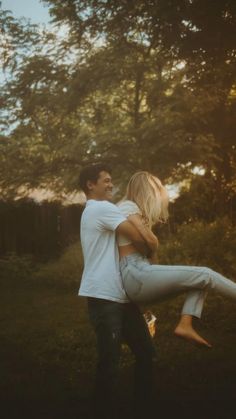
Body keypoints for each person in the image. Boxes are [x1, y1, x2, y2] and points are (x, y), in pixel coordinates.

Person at [117, 171, 236, 348]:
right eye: (155, 190)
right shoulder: (127, 206)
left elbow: (151, 255)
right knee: (205, 274)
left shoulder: (136, 212)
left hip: (140, 273)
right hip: (134, 272)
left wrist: (151, 254)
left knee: (199, 280)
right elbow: (151, 241)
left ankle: (185, 325)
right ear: (146, 190)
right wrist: (152, 244)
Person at [78, 164, 155, 419]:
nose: (111, 184)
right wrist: (146, 233)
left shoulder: (98, 210)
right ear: (90, 184)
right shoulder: (101, 208)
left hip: (120, 295)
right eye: (106, 180)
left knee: (146, 352)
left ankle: (142, 408)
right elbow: (138, 237)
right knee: (110, 364)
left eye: (111, 180)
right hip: (104, 296)